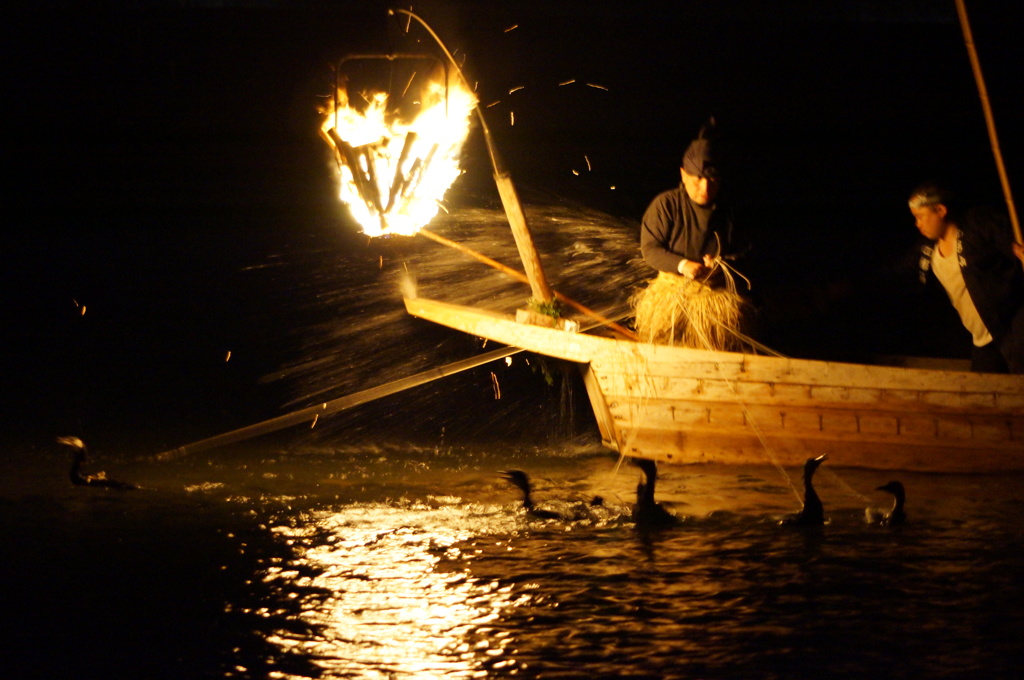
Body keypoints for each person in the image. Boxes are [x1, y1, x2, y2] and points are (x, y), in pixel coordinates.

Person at [908, 181, 1024, 373]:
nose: (917, 224)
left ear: (940, 210)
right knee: (982, 394)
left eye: (920, 217)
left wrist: (1016, 249)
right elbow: (894, 270)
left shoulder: (975, 226)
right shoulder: (928, 251)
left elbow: (1006, 240)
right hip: (983, 340)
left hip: (1013, 328)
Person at [640, 119, 739, 283]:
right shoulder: (666, 204)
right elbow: (650, 249)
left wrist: (723, 265)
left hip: (717, 287)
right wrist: (682, 265)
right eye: (697, 180)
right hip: (674, 288)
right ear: (684, 175)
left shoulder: (728, 208)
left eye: (712, 181)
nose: (705, 189)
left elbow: (745, 250)